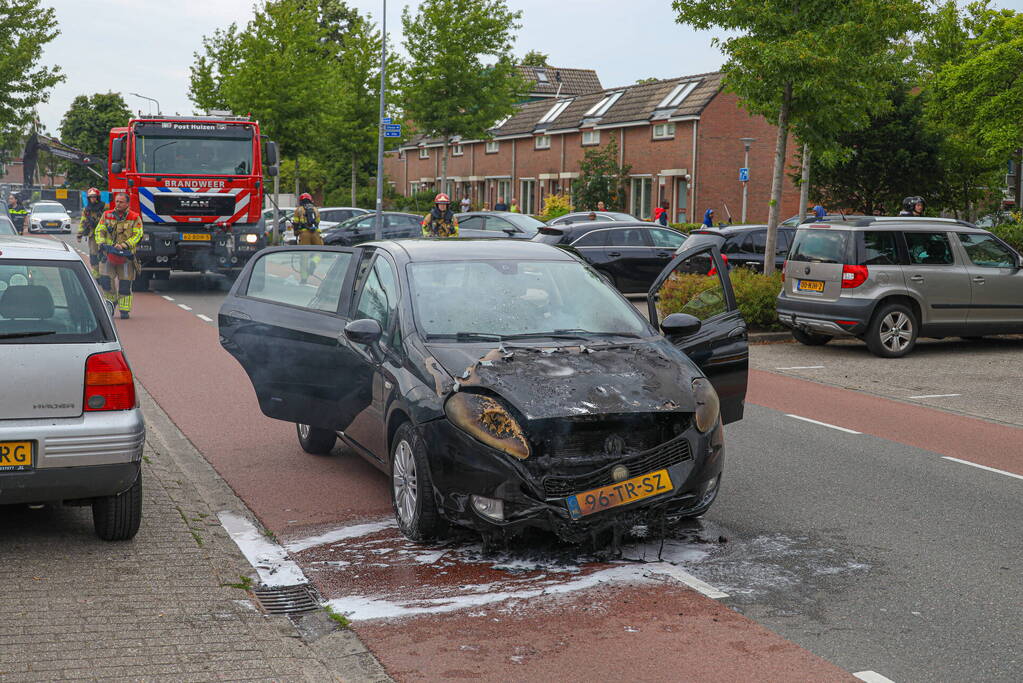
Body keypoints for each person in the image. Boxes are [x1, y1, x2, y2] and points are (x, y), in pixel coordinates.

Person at [95, 193, 143, 319]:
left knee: (125, 285)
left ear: (127, 203)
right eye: (117, 201)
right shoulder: (107, 215)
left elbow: (138, 235)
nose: (118, 204)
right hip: (108, 254)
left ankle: (124, 311)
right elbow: (99, 230)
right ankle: (111, 304)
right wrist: (101, 243)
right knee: (105, 282)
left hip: (126, 257)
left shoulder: (134, 217)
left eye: (121, 202)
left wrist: (125, 245)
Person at [77, 188, 106, 278]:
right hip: (92, 235)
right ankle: (96, 272)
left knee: (104, 254)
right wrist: (79, 235)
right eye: (91, 197)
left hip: (104, 235)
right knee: (93, 254)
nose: (93, 199)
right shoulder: (87, 210)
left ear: (98, 197)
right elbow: (83, 221)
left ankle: (104, 272)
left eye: (94, 197)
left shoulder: (104, 207)